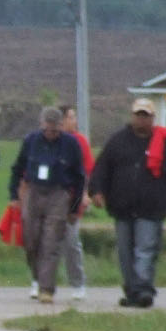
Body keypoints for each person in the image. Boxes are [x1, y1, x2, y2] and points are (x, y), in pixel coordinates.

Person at [88, 98, 166, 308]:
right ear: (132, 116)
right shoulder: (117, 141)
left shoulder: (163, 144)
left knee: (146, 249)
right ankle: (132, 291)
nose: (141, 119)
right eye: (138, 114)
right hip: (121, 206)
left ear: (153, 118)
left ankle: (144, 289)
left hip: (151, 207)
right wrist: (97, 191)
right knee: (125, 252)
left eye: (146, 115)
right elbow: (101, 169)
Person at [7, 105, 86, 304]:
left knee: (51, 241)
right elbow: (18, 168)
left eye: (55, 130)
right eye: (47, 129)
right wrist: (14, 196)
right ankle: (37, 277)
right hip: (34, 192)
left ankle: (46, 289)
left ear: (61, 127)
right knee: (31, 239)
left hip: (58, 194)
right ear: (41, 125)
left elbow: (79, 178)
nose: (50, 134)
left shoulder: (71, 144)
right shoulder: (31, 141)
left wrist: (74, 208)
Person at [56, 104, 96, 301]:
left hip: (73, 198)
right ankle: (41, 282)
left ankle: (78, 282)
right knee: (45, 242)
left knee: (71, 242)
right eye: (71, 117)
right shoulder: (51, 139)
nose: (74, 121)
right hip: (51, 197)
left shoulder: (80, 141)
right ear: (61, 121)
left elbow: (88, 170)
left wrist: (86, 193)